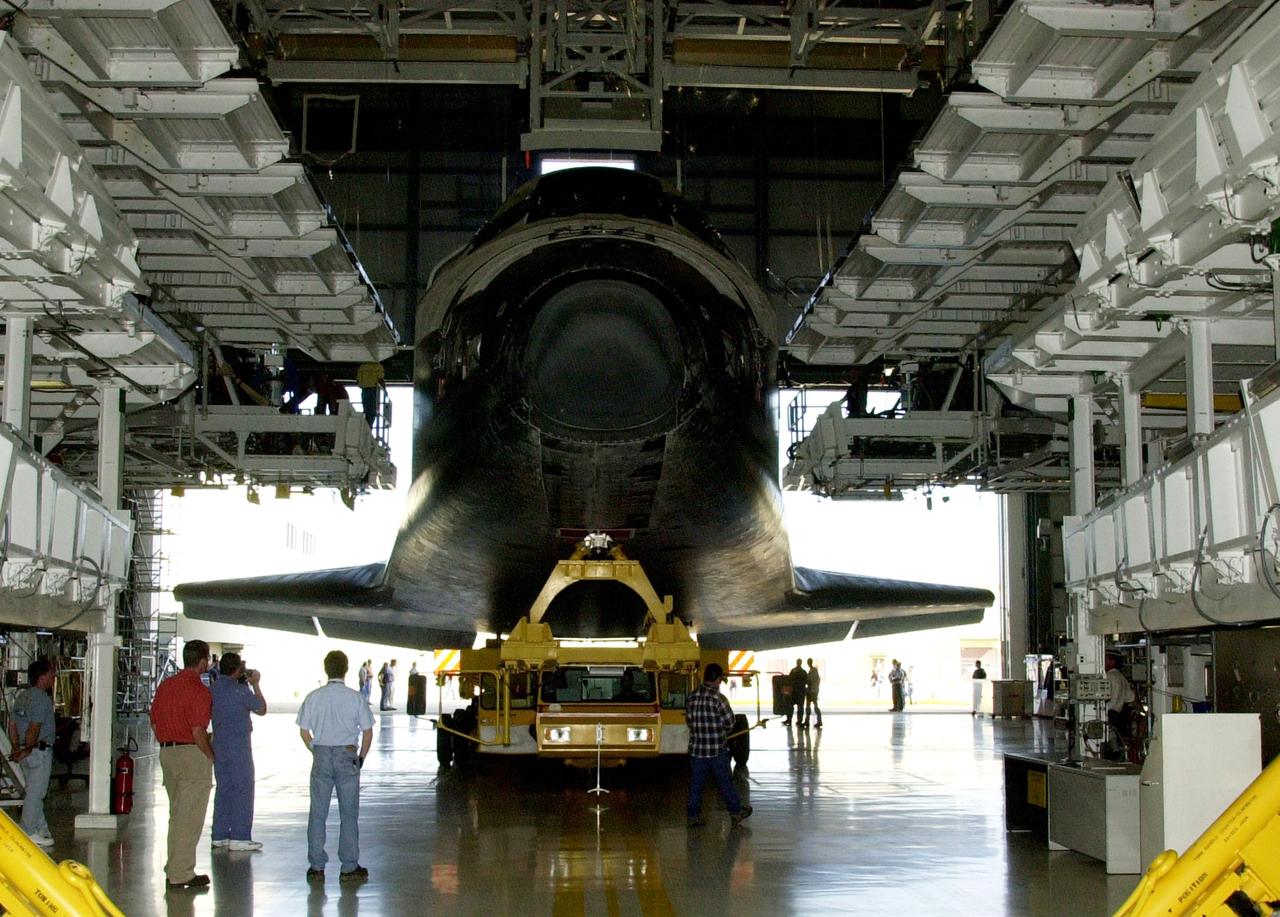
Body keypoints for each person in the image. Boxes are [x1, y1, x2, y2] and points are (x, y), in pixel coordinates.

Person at [297, 651, 375, 883]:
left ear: (325, 668)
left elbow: (303, 730)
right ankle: (349, 866)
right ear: (346, 669)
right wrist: (360, 758)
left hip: (321, 755)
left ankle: (316, 866)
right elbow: (368, 731)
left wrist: (315, 749)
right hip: (347, 755)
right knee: (349, 813)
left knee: (318, 813)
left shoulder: (314, 697)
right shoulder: (355, 697)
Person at [150, 639, 216, 890]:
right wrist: (209, 754)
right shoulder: (199, 691)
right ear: (202, 661)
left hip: (168, 754)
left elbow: (153, 720)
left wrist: (167, 739)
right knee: (189, 818)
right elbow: (198, 731)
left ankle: (174, 866)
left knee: (177, 815)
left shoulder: (166, 686)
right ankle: (181, 874)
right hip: (191, 755)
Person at [210, 653, 267, 851]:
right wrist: (256, 684)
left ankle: (220, 834)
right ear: (238, 670)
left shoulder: (213, 689)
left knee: (223, 788)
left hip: (218, 746)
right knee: (243, 789)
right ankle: (240, 837)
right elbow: (261, 708)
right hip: (239, 747)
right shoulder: (241, 691)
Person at [685, 663, 752, 828]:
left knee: (696, 784)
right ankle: (736, 813)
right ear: (717, 679)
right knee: (725, 783)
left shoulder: (691, 697)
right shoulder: (719, 699)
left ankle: (693, 816)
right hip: (716, 750)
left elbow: (688, 721)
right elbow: (730, 722)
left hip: (696, 750)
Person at [8, 658, 57, 847]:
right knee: (37, 794)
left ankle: (41, 828)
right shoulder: (41, 698)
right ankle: (27, 832)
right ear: (42, 676)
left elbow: (12, 724)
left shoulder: (22, 696)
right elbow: (34, 728)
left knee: (33, 790)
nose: (53, 677)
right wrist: (27, 749)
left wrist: (16, 747)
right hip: (37, 753)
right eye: (51, 673)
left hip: (25, 752)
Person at [1105, 654, 1135, 760]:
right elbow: (1131, 698)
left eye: (1106, 659)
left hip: (1109, 715)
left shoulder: (1108, 676)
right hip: (1118, 715)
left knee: (1109, 742)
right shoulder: (1122, 677)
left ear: (1112, 662)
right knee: (1116, 742)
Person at [356, 361, 387, 429]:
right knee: (372, 412)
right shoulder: (377, 365)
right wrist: (385, 391)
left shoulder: (362, 366)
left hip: (364, 391)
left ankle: (366, 428)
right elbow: (380, 379)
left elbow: (358, 381)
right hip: (373, 391)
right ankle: (369, 429)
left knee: (366, 412)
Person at [785, 658, 807, 726]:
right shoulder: (803, 672)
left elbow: (789, 680)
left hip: (795, 692)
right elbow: (806, 681)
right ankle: (798, 721)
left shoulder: (794, 671)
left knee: (791, 706)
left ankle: (790, 720)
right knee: (798, 707)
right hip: (799, 692)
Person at [804, 658, 823, 730]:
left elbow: (811, 681)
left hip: (812, 692)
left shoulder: (813, 670)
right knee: (809, 706)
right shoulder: (812, 670)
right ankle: (808, 721)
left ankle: (818, 721)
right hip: (812, 691)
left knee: (814, 706)